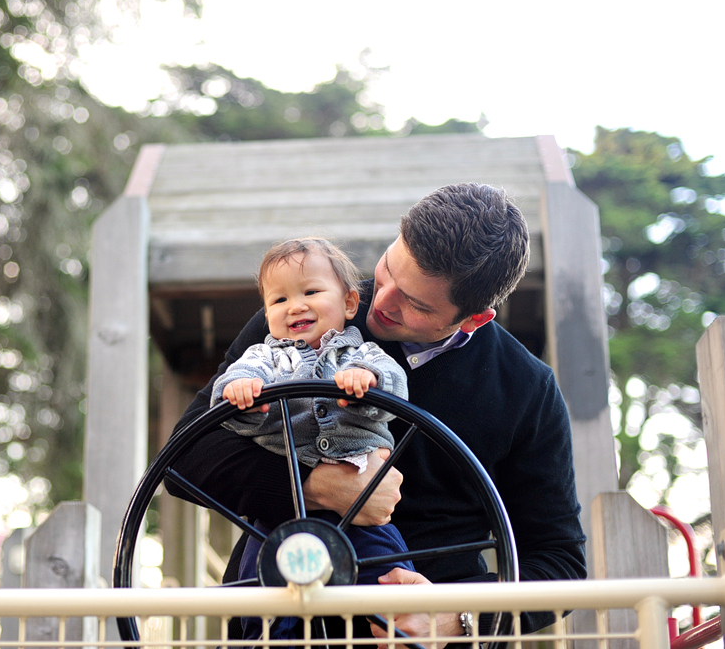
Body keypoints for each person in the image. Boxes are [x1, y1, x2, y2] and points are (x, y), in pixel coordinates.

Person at [169, 182, 587, 644]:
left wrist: (456, 617)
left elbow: (559, 560)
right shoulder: (310, 312)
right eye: (388, 270)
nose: (379, 303)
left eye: (416, 304)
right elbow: (184, 458)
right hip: (282, 607)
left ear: (475, 319)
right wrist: (316, 487)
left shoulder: (527, 388)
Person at [211, 237, 413, 641]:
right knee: (262, 589)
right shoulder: (262, 359)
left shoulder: (363, 354)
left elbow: (395, 389)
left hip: (361, 505)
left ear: (350, 304)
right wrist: (241, 393)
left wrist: (367, 382)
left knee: (396, 581)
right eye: (279, 300)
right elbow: (224, 398)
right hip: (279, 514)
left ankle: (401, 630)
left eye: (311, 292)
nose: (295, 306)